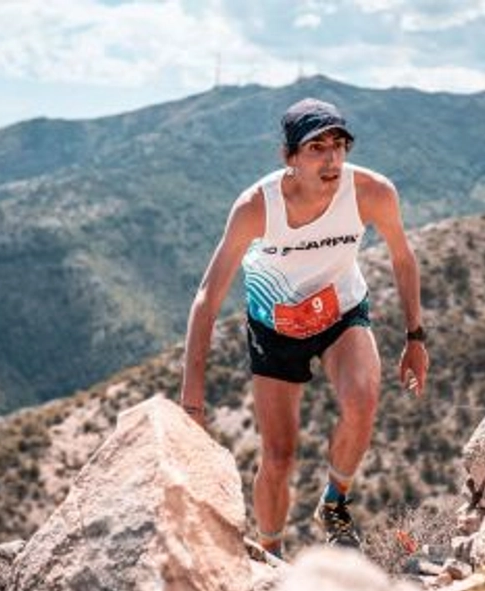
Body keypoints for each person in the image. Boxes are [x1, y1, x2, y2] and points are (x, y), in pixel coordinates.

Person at [180, 98, 429, 558]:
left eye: (339, 145)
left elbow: (402, 257)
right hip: (274, 324)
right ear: (289, 157)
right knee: (279, 456)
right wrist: (192, 403)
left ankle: (334, 502)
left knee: (363, 398)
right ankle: (271, 553)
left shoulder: (372, 192)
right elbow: (206, 299)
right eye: (316, 147)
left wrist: (415, 337)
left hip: (340, 311)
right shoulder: (257, 207)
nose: (332, 159)